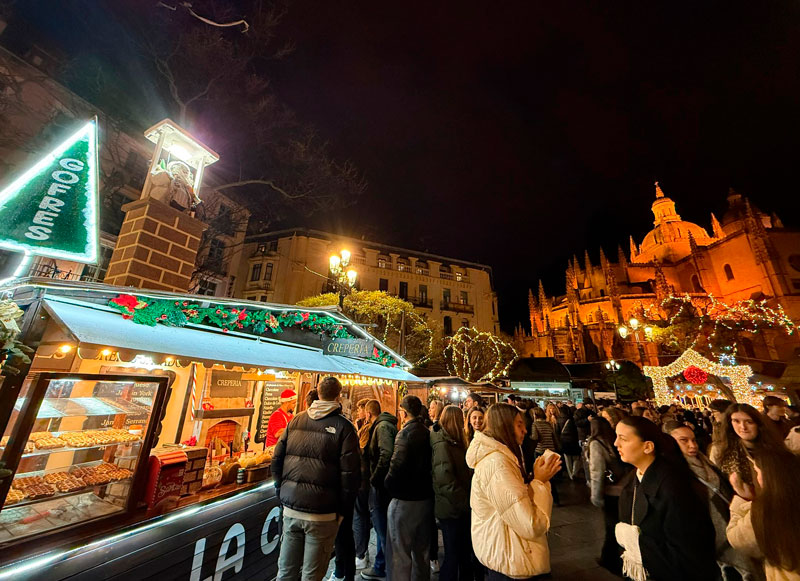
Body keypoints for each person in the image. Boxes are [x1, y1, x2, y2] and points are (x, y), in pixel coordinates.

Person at [272, 377, 360, 581]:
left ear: (318, 393)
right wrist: (343, 512)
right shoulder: (345, 428)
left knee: (285, 572)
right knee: (312, 575)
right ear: (338, 396)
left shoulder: (296, 420)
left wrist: (281, 492)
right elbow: (351, 476)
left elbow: (276, 460)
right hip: (323, 513)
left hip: (292, 508)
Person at [614, 416, 717, 581]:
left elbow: (689, 553)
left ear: (648, 447)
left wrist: (635, 541)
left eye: (623, 439)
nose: (616, 443)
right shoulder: (635, 478)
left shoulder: (674, 486)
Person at [467, 403, 561, 580]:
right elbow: (530, 525)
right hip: (513, 560)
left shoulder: (504, 457)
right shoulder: (497, 465)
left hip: (511, 555)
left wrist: (533, 480)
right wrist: (539, 482)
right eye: (519, 425)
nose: (525, 430)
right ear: (504, 426)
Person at [665, 421, 760, 581]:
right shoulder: (673, 472)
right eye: (684, 441)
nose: (692, 445)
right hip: (710, 535)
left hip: (728, 519)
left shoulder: (705, 461)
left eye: (693, 440)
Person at [727, 448, 800, 581]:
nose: (757, 477)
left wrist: (742, 500)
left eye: (757, 472)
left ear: (769, 475)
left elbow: (737, 538)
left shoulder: (765, 510)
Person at [384, 395, 434, 581]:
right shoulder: (427, 432)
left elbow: (396, 465)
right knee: (422, 551)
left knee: (399, 553)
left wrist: (388, 485)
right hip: (425, 498)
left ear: (404, 413)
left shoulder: (404, 434)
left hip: (405, 499)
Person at [431, 405, 474, 581]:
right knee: (453, 555)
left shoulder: (454, 441)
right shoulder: (443, 444)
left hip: (457, 507)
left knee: (462, 553)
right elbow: (445, 479)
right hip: (452, 509)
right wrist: (466, 502)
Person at [361, 404, 398, 580]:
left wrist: (375, 478)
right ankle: (381, 564)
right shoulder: (384, 425)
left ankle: (387, 568)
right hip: (384, 485)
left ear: (369, 413)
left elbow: (386, 454)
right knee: (383, 527)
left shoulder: (382, 427)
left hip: (381, 486)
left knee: (382, 527)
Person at [586, 416, 626, 575]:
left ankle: (609, 559)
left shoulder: (596, 443)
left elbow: (597, 471)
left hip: (611, 490)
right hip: (624, 488)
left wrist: (595, 496)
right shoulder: (612, 440)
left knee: (611, 526)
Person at [710, 403, 784, 489]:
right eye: (736, 421)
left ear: (758, 424)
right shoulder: (721, 450)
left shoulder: (774, 448)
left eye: (749, 422)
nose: (743, 427)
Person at [353, 399, 381, 571]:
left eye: (360, 410)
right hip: (369, 480)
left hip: (364, 480)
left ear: (367, 412)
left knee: (361, 516)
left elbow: (361, 452)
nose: (358, 413)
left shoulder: (368, 430)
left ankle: (361, 555)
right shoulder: (370, 427)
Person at [530, 406, 560, 505]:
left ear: (535, 415)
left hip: (540, 450)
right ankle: (556, 498)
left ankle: (542, 498)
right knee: (551, 475)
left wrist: (529, 438)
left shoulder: (535, 424)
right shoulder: (548, 424)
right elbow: (554, 436)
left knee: (541, 476)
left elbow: (535, 437)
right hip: (550, 450)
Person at [557, 405, 581, 479]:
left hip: (564, 441)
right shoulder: (572, 419)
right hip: (573, 440)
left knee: (568, 459)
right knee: (576, 458)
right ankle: (575, 472)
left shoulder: (558, 420)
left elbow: (557, 431)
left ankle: (571, 475)